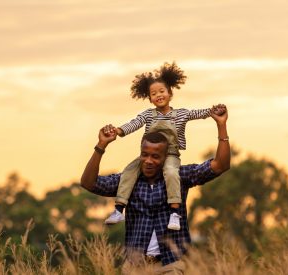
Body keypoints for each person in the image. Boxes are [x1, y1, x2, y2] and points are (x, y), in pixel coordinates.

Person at [80, 106, 230, 274]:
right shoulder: (128, 181)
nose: (148, 161)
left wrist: (221, 125)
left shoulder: (178, 177)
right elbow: (88, 183)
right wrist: (101, 145)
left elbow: (220, 165)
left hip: (170, 265)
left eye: (155, 156)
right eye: (145, 154)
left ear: (166, 158)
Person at [104, 62, 224, 231]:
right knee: (129, 171)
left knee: (171, 172)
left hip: (171, 154)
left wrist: (213, 111)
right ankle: (118, 209)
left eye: (162, 91)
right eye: (154, 93)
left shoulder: (181, 114)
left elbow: (199, 113)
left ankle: (174, 213)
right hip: (149, 156)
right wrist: (118, 130)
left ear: (170, 93)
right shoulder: (147, 115)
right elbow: (134, 123)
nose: (158, 95)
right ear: (149, 98)